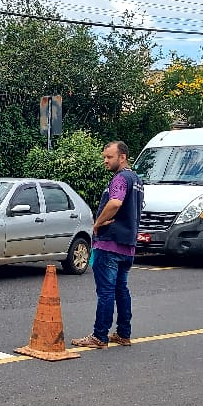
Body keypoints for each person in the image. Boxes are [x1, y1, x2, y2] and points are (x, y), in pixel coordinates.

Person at [72, 141, 144, 349]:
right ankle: (123, 333)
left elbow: (115, 202)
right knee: (121, 290)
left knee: (106, 291)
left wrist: (97, 223)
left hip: (110, 243)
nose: (105, 160)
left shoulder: (120, 178)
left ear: (122, 157)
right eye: (104, 156)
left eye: (109, 157)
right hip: (128, 245)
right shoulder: (137, 180)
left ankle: (99, 336)